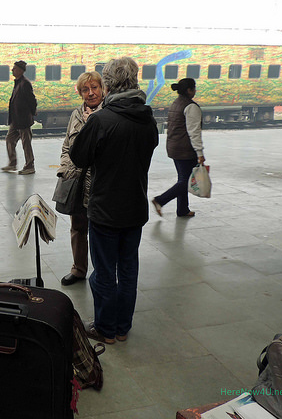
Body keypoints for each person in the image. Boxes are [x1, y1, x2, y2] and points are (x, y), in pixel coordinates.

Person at [69, 57, 158, 344]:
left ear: (107, 86)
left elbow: (78, 156)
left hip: (106, 210)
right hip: (135, 208)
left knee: (105, 272)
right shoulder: (149, 120)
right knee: (129, 270)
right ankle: (122, 327)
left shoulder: (101, 120)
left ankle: (105, 328)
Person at [57, 71, 104, 286]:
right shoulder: (76, 115)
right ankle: (78, 269)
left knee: (98, 228)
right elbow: (67, 146)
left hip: (98, 182)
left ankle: (101, 272)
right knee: (77, 226)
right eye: (86, 89)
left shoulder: (107, 114)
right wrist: (65, 169)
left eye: (94, 88)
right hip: (76, 179)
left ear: (103, 89)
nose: (91, 93)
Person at [151, 78, 205, 218]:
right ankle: (160, 200)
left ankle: (182, 210)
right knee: (186, 181)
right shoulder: (191, 106)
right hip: (185, 149)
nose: (195, 91)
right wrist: (199, 152)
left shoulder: (176, 103)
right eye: (194, 88)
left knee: (183, 178)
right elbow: (194, 132)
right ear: (189, 90)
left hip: (174, 146)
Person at [1, 60, 37, 175]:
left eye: (14, 68)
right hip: (16, 120)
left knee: (26, 144)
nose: (12, 70)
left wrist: (31, 114)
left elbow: (32, 100)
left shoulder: (25, 83)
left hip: (23, 120)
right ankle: (12, 163)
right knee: (10, 140)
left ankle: (30, 166)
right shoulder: (18, 82)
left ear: (20, 71)